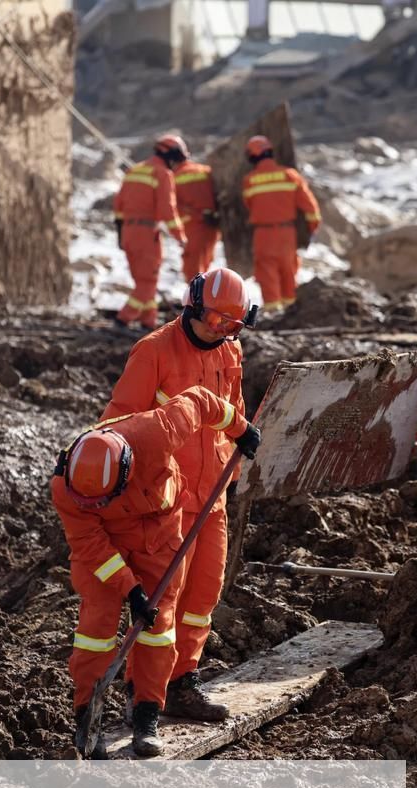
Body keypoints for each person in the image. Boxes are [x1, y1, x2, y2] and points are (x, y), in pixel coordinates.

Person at [52, 384, 257, 757]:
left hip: (159, 537)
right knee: (96, 630)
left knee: (157, 628)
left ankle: (146, 715)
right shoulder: (66, 488)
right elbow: (91, 546)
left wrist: (239, 428)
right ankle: (87, 718)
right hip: (106, 547)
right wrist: (131, 590)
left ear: (126, 471)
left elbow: (201, 400)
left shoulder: (158, 430)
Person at [100, 267, 258, 722]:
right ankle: (142, 694)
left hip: (213, 497)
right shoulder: (154, 351)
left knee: (203, 596)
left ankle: (182, 682)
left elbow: (233, 412)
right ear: (193, 305)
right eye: (216, 320)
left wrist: (236, 461)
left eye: (232, 325)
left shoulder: (230, 350)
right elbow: (120, 424)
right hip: (166, 502)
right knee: (162, 602)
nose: (221, 330)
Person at [113, 135, 189, 330]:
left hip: (128, 231)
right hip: (146, 234)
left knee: (143, 281)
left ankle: (148, 321)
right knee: (147, 282)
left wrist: (120, 234)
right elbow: (167, 210)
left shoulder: (134, 170)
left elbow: (118, 205)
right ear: (170, 155)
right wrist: (180, 236)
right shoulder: (162, 173)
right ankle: (123, 319)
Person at [240, 135, 321, 312]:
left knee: (267, 273)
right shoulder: (290, 175)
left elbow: (248, 205)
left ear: (252, 156)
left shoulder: (250, 180)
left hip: (263, 234)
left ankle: (273, 312)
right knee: (289, 272)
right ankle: (291, 312)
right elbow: (311, 209)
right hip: (287, 233)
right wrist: (310, 230)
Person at [174, 152, 221, 281]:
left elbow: (173, 206)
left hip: (194, 227)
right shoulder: (206, 171)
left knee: (192, 271)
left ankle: (198, 294)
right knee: (204, 267)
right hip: (212, 226)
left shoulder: (173, 178)